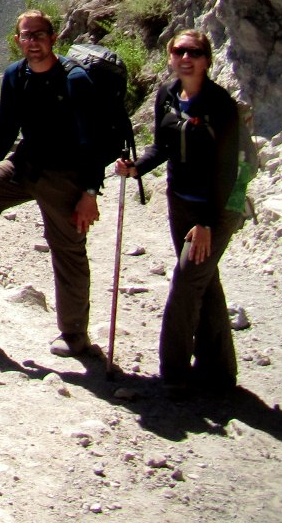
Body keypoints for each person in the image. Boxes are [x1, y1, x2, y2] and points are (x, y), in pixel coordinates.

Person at [0, 9, 103, 357]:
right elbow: (5, 131)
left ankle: (75, 335)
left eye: (39, 35)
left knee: (68, 251)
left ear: (53, 37)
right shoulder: (15, 76)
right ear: (18, 41)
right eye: (26, 36)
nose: (32, 42)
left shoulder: (75, 80)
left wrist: (90, 193)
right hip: (25, 165)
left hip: (65, 174)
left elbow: (93, 142)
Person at [114, 28, 243, 393]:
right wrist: (137, 167)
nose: (186, 58)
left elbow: (226, 169)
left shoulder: (220, 105)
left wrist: (206, 223)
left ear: (207, 60)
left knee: (186, 283)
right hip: (180, 202)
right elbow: (163, 146)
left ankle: (173, 374)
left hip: (215, 211)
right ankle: (219, 373)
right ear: (170, 55)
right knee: (204, 281)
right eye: (179, 51)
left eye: (195, 52)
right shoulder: (167, 94)